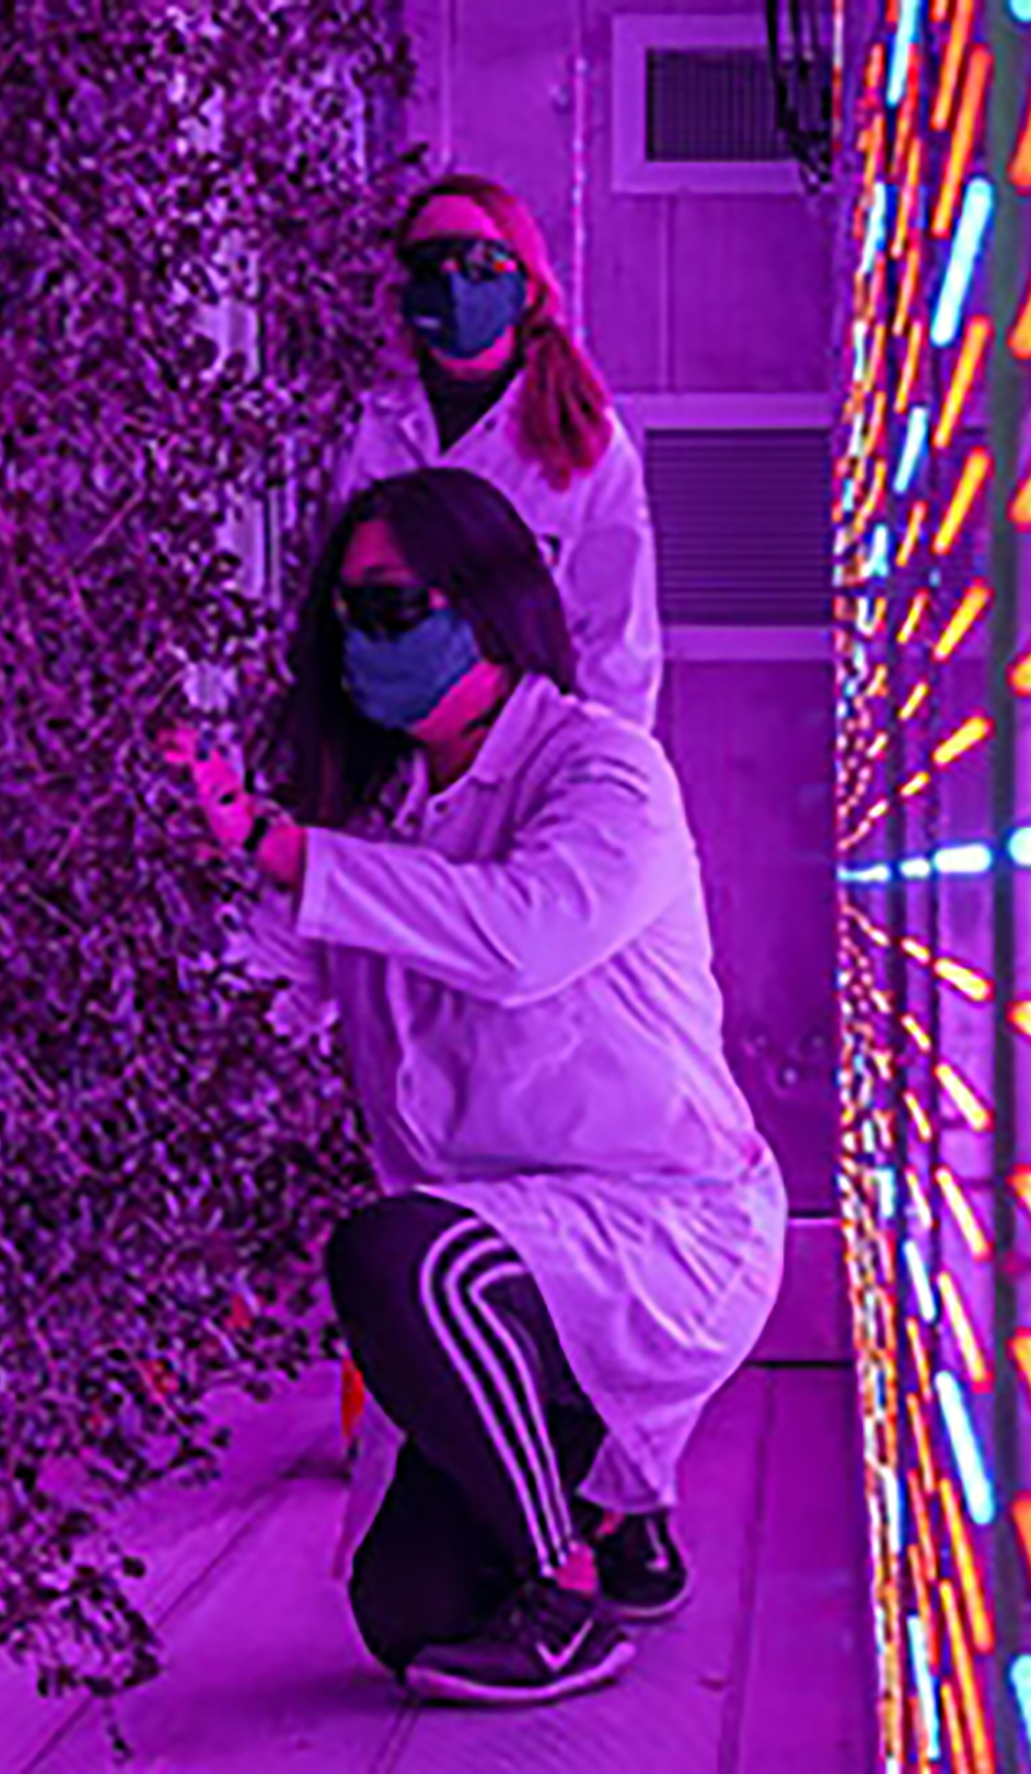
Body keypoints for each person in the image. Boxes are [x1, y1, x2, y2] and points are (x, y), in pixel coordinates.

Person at [159, 468, 784, 1707]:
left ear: (487, 603)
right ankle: (620, 1512)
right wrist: (183, 868)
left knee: (395, 1255)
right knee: (412, 1615)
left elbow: (522, 939)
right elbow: (261, 985)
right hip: (496, 1258)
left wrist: (284, 847)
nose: (360, 641)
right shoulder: (381, 811)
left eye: (391, 607)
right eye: (343, 613)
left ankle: (566, 1588)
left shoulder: (603, 773)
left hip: (655, 1220)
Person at [334, 172, 664, 731]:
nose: (454, 283)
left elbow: (617, 634)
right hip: (382, 731)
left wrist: (604, 769)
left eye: (481, 263)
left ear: (528, 284)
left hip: (522, 740)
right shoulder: (368, 423)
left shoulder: (585, 441)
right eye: (429, 263)